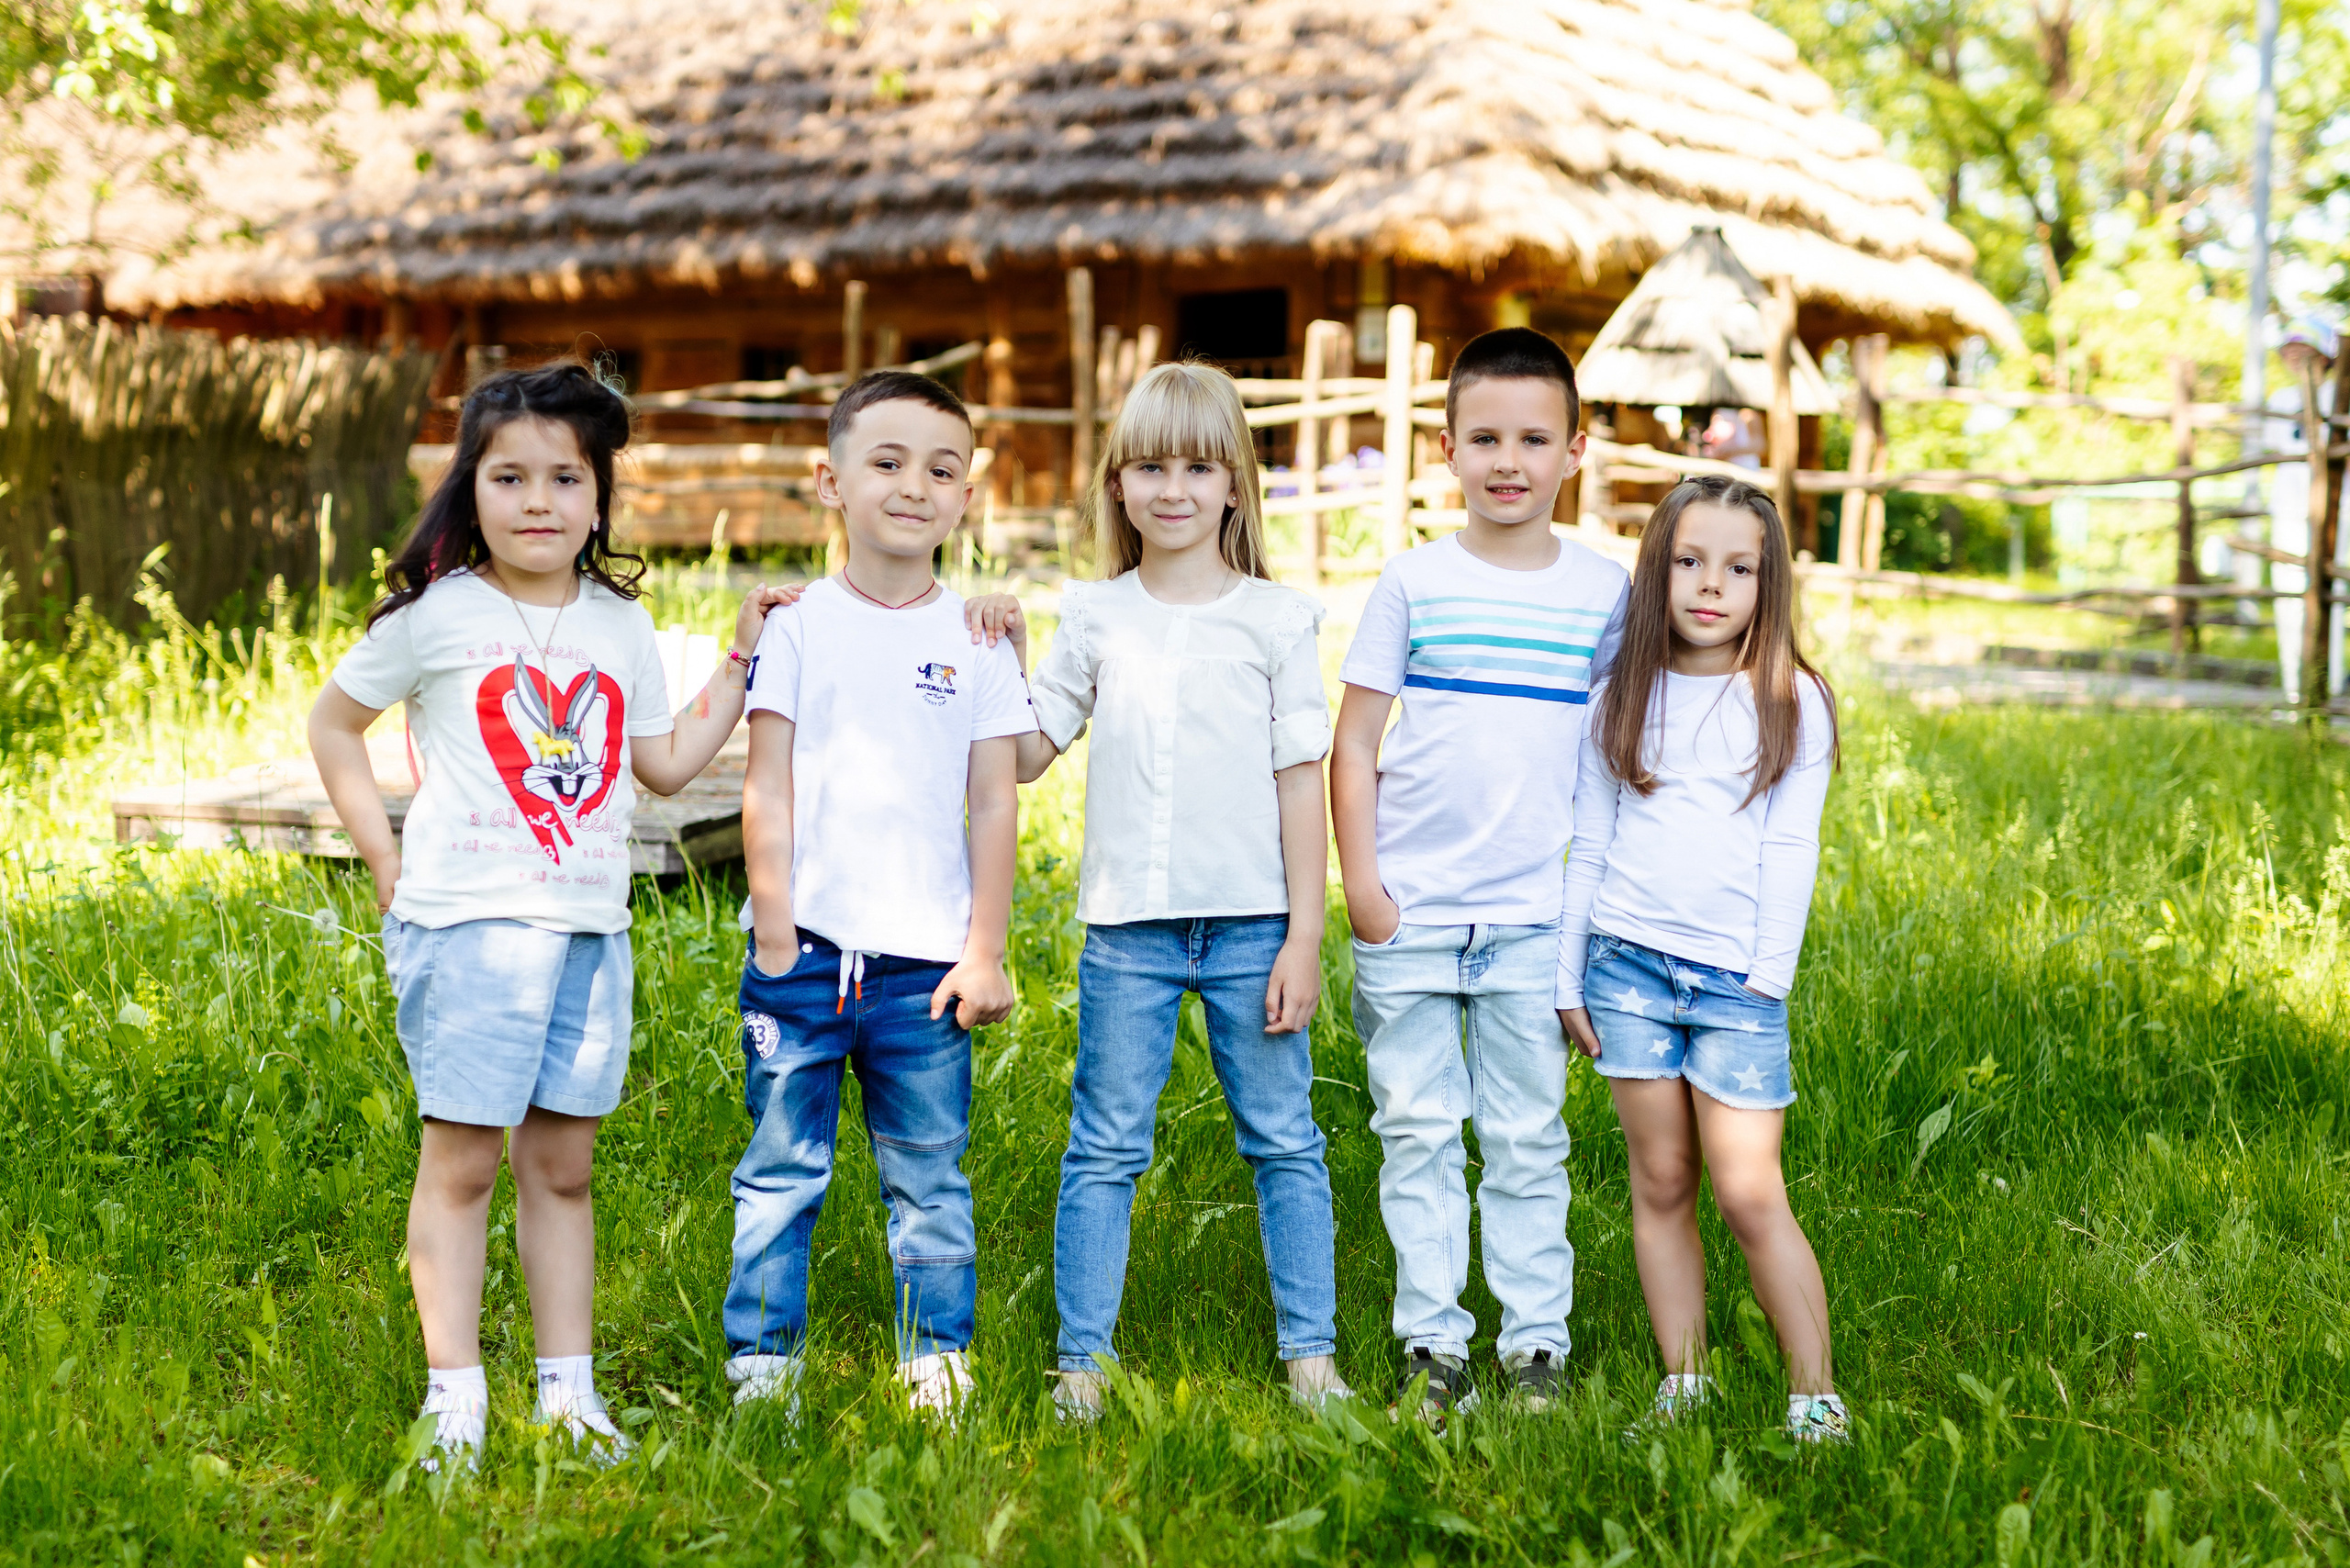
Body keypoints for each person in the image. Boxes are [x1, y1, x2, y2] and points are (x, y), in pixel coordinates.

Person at [309, 359, 790, 1472]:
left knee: (563, 1168)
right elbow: (334, 725)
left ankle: (566, 1394)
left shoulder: (619, 625)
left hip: (587, 933)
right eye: (509, 477)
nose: (538, 502)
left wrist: (740, 655)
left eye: (565, 480)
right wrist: (379, 850)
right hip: (468, 933)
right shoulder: (436, 617)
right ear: (468, 490)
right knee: (464, 1163)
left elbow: (664, 764)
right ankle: (455, 1395)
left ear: (599, 497)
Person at [960, 361, 1348, 1420]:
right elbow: (1030, 751)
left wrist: (1303, 937)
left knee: (1284, 1138)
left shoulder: (1275, 620)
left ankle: (1309, 1357)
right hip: (1128, 930)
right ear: (1117, 485)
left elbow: (1297, 778)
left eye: (1196, 465)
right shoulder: (1094, 613)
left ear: (1235, 484)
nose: (1171, 488)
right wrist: (1003, 649)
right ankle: (1081, 1362)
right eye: (1147, 466)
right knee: (1105, 1144)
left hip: (1252, 925)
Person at [1330, 327, 1628, 1425]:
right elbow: (1353, 741)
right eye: (1486, 438)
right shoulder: (1413, 581)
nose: (1510, 460)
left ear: (1575, 451)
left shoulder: (1606, 594)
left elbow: (1618, 757)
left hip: (1531, 920)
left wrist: (1587, 917)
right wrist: (1362, 885)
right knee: (1414, 1130)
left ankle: (1534, 1342)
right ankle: (1430, 1341)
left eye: (1534, 439)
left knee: (1524, 1138)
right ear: (1444, 449)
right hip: (1409, 911)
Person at [722, 370, 1032, 1422]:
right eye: (887, 462)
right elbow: (768, 777)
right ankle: (764, 1362)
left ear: (966, 497)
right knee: (779, 1170)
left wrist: (982, 948)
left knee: (930, 1180)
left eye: (942, 469)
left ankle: (934, 1360)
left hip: (924, 970)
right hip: (802, 955)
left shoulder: (976, 639)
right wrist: (772, 932)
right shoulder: (801, 625)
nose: (915, 486)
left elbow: (995, 802)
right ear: (830, 481)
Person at [1553, 475, 1846, 1443]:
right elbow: (1587, 844)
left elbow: (1789, 846)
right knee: (1662, 1182)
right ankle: (1684, 1380)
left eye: (1736, 567)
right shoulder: (1619, 696)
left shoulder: (1791, 700)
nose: (1708, 585)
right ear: (1656, 570)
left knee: (1748, 1190)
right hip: (1626, 970)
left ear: (1769, 583)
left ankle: (1814, 1393)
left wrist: (1770, 976)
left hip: (1734, 987)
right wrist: (1568, 976)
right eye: (1686, 562)